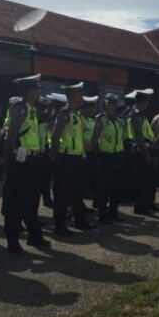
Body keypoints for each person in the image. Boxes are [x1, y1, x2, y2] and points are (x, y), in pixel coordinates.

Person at [0, 74, 51, 253]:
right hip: (21, 162)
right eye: (37, 89)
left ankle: (34, 236)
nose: (39, 92)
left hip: (32, 160)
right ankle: (12, 240)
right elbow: (11, 135)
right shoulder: (20, 108)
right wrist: (7, 158)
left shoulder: (31, 109)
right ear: (30, 91)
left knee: (31, 200)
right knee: (16, 201)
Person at [50, 82, 96, 236]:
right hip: (65, 159)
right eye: (80, 94)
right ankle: (60, 226)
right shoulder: (65, 113)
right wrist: (55, 158)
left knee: (77, 191)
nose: (82, 97)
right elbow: (55, 136)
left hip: (76, 158)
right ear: (73, 96)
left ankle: (79, 220)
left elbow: (77, 135)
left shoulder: (76, 114)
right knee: (62, 194)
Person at [91, 93, 127, 223]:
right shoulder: (100, 119)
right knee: (104, 188)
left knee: (116, 187)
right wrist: (98, 156)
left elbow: (123, 137)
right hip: (105, 156)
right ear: (105, 105)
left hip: (117, 155)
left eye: (113, 103)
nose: (111, 105)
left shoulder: (120, 119)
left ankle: (113, 213)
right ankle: (102, 215)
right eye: (108, 103)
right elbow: (94, 139)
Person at [126, 89, 159, 214]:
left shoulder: (141, 114)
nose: (148, 104)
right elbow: (139, 137)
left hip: (147, 148)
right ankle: (140, 206)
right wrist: (146, 154)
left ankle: (149, 203)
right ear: (144, 101)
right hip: (140, 151)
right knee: (142, 181)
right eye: (147, 101)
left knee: (150, 180)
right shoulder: (136, 115)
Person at [80, 96, 99, 211]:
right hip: (83, 153)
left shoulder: (91, 120)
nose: (95, 110)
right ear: (88, 108)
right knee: (81, 180)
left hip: (91, 152)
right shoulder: (80, 119)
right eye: (94, 108)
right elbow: (77, 136)